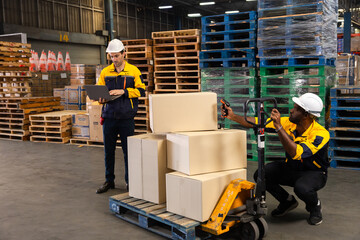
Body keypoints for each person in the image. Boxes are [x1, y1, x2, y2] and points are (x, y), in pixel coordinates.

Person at [221, 93, 330, 225]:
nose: (291, 110)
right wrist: (232, 116)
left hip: (314, 173)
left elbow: (296, 153)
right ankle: (287, 201)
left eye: (295, 109)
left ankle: (315, 207)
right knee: (262, 174)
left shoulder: (321, 134)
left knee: (302, 188)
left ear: (306, 115)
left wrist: (278, 127)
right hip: (292, 167)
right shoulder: (289, 123)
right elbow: (256, 122)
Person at [96, 39, 146, 194]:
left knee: (128, 152)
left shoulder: (133, 71)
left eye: (116, 56)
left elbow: (142, 91)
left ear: (124, 53)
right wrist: (100, 98)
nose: (114, 59)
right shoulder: (105, 72)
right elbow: (98, 90)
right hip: (109, 116)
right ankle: (109, 181)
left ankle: (130, 182)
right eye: (111, 56)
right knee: (108, 151)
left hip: (126, 118)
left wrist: (124, 91)